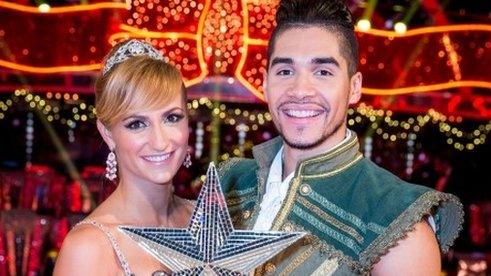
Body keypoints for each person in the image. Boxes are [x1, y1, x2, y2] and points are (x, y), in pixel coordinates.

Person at [218, 0, 463, 275]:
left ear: (354, 87)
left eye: (323, 72)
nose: (300, 90)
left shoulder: (397, 219)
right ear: (265, 83)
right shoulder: (230, 182)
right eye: (285, 71)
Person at [54, 40, 194, 275]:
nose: (160, 142)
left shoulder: (206, 221)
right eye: (137, 124)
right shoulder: (88, 248)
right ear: (108, 134)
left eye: (172, 118)